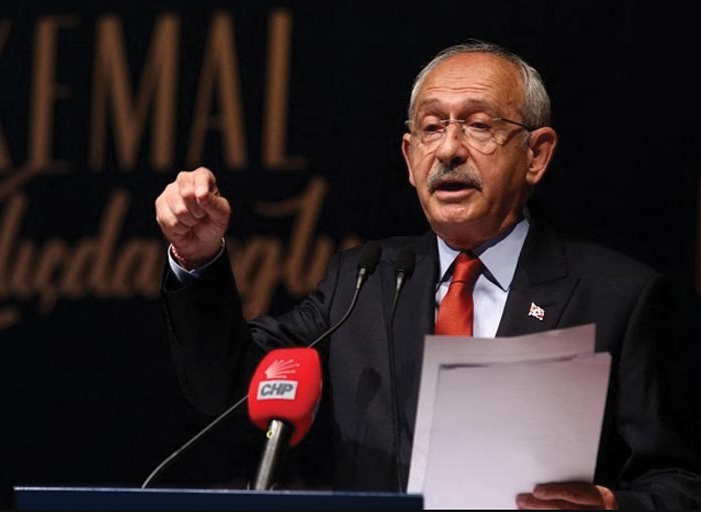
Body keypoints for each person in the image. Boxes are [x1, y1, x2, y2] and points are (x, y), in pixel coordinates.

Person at [155, 40, 700, 509]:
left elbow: (680, 482)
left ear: (536, 155)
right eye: (432, 128)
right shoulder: (362, 281)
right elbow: (224, 387)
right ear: (409, 156)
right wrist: (197, 257)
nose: (449, 150)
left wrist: (614, 506)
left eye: (479, 126)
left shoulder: (618, 297)